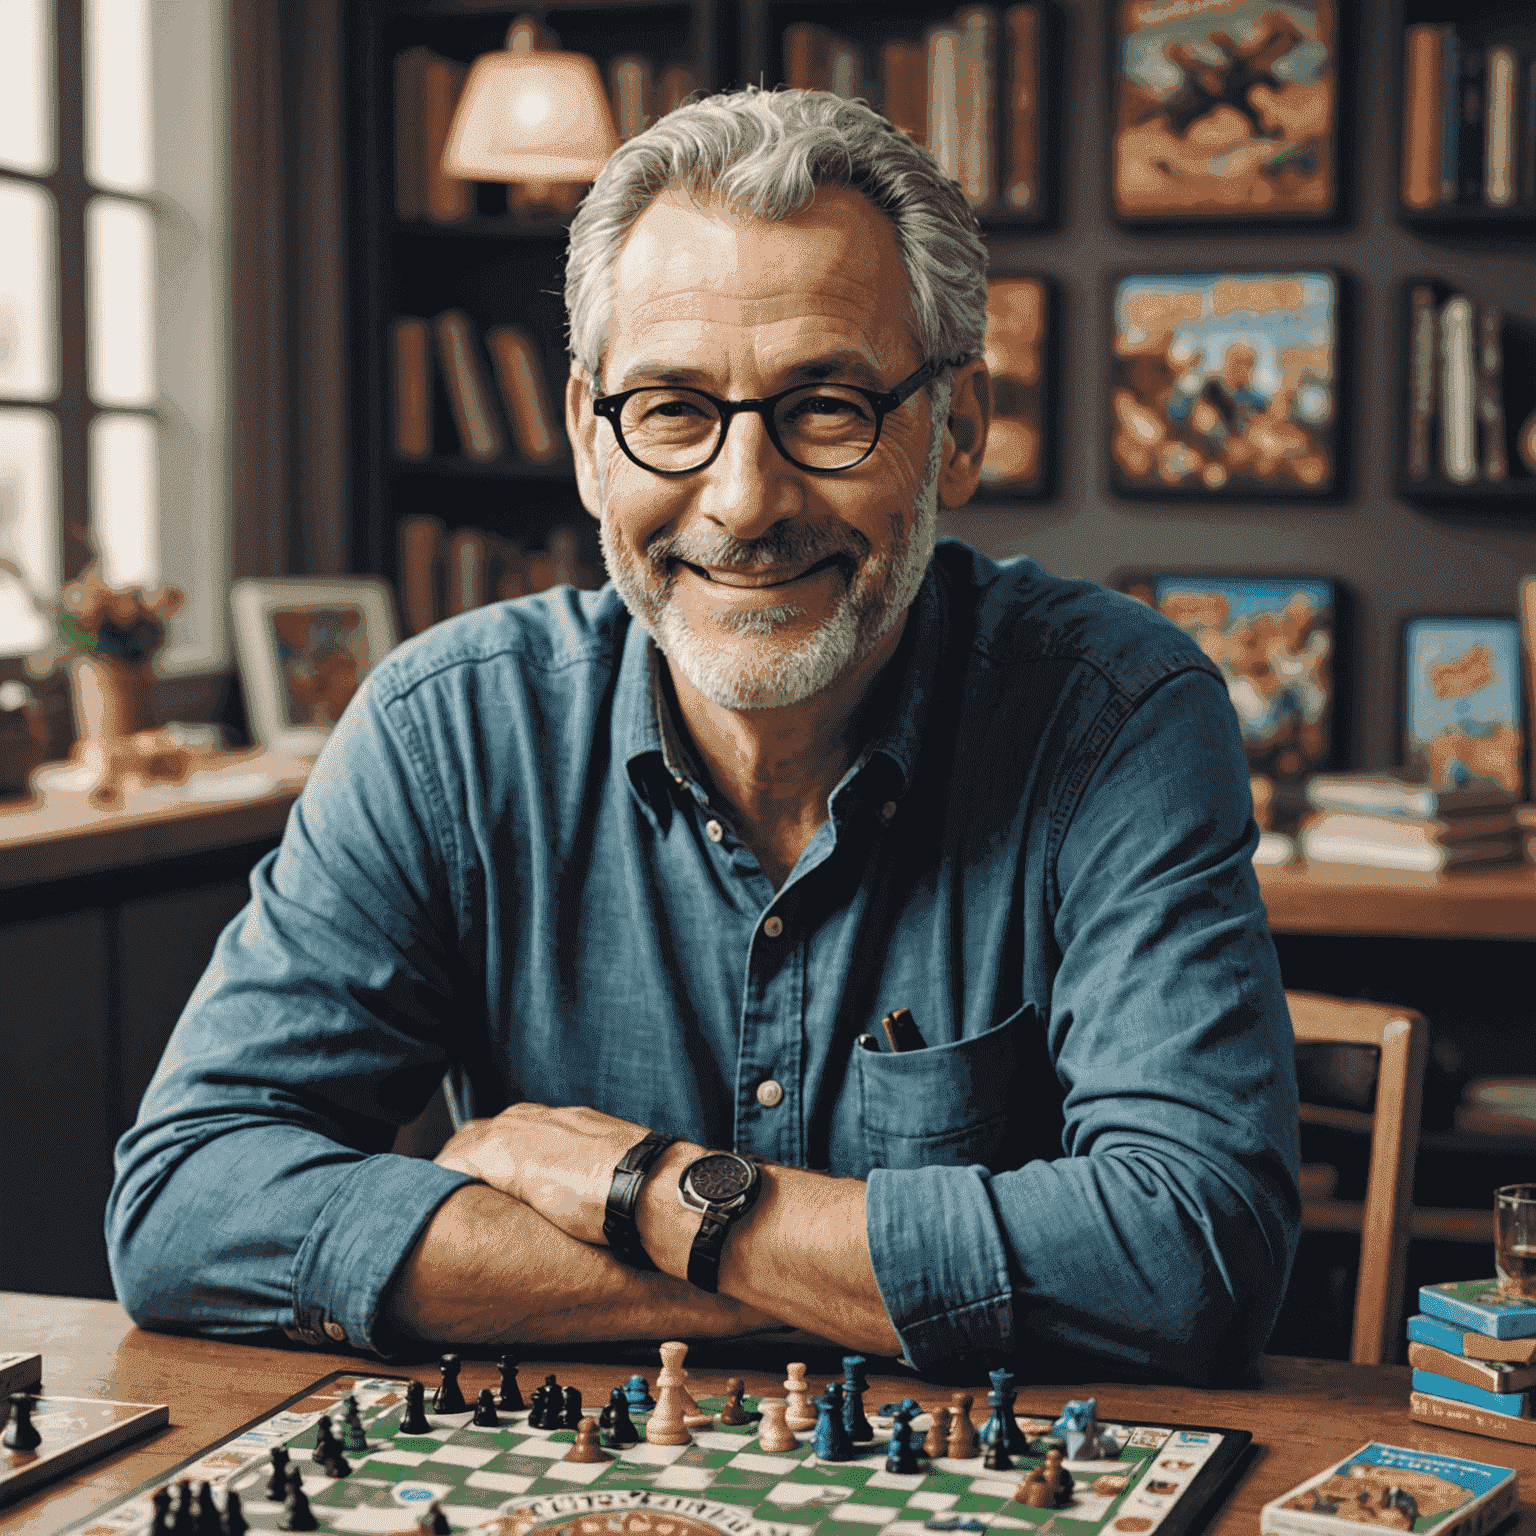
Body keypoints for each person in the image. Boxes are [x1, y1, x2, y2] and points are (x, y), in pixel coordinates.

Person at [107, 88, 1299, 1384]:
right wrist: (815, 1287)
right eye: (672, 409)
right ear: (585, 440)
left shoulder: (1118, 715)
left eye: (829, 405)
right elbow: (185, 1205)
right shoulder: (444, 730)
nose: (744, 501)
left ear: (957, 433)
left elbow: (1193, 1254)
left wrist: (640, 1191)